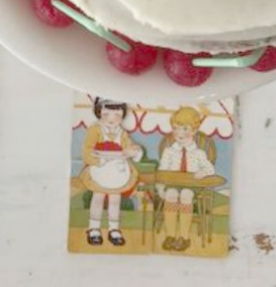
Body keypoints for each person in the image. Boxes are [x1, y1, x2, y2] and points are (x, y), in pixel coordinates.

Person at [79, 98, 143, 247]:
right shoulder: (95, 130)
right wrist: (98, 161)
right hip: (100, 169)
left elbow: (129, 146)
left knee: (115, 200)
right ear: (99, 113)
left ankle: (114, 229)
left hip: (118, 172)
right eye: (107, 114)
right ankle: (94, 228)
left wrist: (133, 150)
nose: (112, 119)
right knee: (98, 197)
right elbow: (87, 150)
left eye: (117, 115)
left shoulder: (122, 133)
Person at [157, 106, 215, 252]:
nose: (179, 133)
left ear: (194, 131)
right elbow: (162, 171)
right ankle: (170, 235)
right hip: (173, 184)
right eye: (176, 128)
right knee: (171, 194)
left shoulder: (199, 153)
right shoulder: (169, 152)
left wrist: (202, 172)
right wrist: (160, 188)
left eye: (184, 128)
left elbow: (210, 169)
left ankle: (184, 236)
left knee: (186, 194)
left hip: (192, 186)